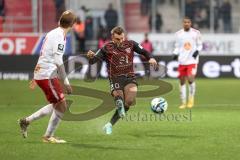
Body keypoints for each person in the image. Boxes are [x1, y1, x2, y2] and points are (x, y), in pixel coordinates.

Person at [18, 10, 76, 143]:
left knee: (58, 104)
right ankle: (48, 136)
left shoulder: (54, 32)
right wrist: (66, 82)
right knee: (62, 105)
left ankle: (26, 121)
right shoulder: (59, 36)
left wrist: (36, 74)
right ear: (72, 25)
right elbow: (58, 60)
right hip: (47, 75)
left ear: (59, 21)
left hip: (44, 74)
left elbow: (44, 54)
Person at [87, 26, 157, 134]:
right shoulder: (106, 48)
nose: (120, 41)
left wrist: (151, 58)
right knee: (119, 99)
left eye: (122, 38)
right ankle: (118, 104)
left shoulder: (131, 44)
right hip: (115, 78)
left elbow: (144, 52)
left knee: (129, 101)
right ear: (112, 38)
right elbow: (93, 61)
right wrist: (91, 57)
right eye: (117, 39)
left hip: (129, 77)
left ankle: (110, 124)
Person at [173, 17, 203, 109]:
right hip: (182, 61)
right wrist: (175, 53)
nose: (186, 24)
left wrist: (197, 51)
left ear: (191, 23)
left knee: (190, 78)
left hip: (192, 61)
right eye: (185, 22)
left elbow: (200, 44)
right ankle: (183, 102)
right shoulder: (178, 34)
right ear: (183, 23)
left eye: (188, 22)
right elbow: (177, 46)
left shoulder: (196, 33)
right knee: (182, 81)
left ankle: (191, 99)